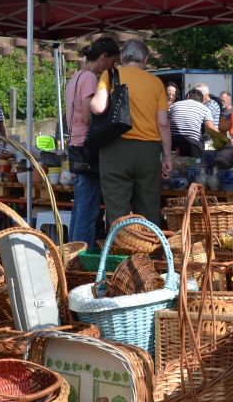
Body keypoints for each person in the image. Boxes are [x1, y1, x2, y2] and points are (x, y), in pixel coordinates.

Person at [91, 38, 170, 225]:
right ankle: (150, 251)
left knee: (118, 210)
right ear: (146, 59)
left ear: (123, 57)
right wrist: (166, 157)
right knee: (149, 208)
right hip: (148, 152)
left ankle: (121, 250)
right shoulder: (156, 82)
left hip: (115, 150)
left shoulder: (110, 75)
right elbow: (163, 123)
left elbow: (98, 107)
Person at [65, 35, 119, 248]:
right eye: (112, 62)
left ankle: (71, 251)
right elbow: (88, 116)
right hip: (87, 147)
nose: (111, 67)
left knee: (79, 207)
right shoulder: (89, 78)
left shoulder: (75, 77)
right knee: (88, 209)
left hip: (75, 145)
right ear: (103, 57)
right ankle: (81, 254)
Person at [169, 89, 216, 158]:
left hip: (172, 142)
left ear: (187, 96)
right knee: (193, 166)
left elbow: (165, 121)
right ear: (201, 100)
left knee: (173, 166)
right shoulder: (205, 109)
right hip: (193, 143)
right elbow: (210, 128)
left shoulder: (174, 105)